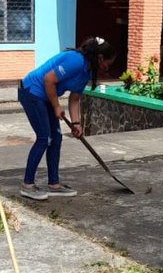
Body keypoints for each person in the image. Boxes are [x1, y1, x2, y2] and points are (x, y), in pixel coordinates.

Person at [16, 36, 117, 200]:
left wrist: (76, 123)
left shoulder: (87, 71)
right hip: (31, 91)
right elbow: (48, 80)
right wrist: (56, 106)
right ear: (100, 58)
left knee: (56, 138)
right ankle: (27, 185)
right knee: (44, 138)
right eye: (108, 63)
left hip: (47, 96)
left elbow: (75, 98)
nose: (107, 67)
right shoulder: (75, 60)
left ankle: (54, 184)